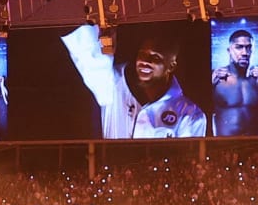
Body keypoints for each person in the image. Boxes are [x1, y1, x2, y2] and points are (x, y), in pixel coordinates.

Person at [61, 23, 206, 139]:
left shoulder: (190, 113)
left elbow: (187, 159)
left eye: (155, 58)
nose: (145, 61)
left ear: (171, 66)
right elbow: (88, 53)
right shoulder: (112, 84)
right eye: (142, 54)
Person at [211, 28, 258, 136]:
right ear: (229, 50)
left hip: (254, 145)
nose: (244, 53)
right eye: (239, 47)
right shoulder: (216, 78)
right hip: (223, 146)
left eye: (248, 47)